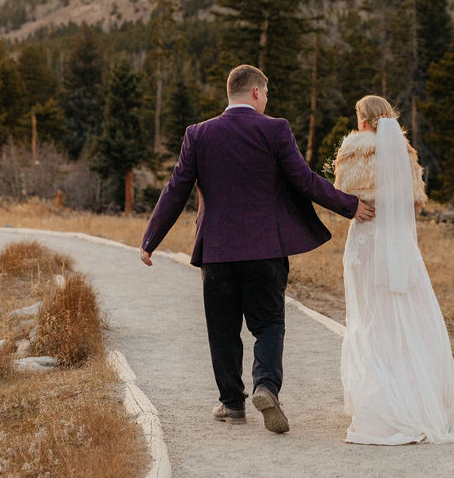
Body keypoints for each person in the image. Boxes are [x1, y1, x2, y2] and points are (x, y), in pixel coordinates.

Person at [138, 65, 375, 434]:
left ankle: (232, 405)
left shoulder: (198, 134)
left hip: (216, 252)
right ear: (255, 93)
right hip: (264, 249)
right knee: (268, 325)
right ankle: (266, 387)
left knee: (222, 329)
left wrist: (151, 239)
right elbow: (305, 179)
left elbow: (176, 188)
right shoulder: (274, 129)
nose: (266, 100)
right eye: (265, 93)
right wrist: (349, 205)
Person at [333, 95, 454, 445]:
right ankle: (417, 394)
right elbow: (414, 203)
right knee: (404, 315)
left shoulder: (354, 149)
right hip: (399, 244)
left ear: (363, 120)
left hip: (365, 243)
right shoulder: (404, 153)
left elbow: (341, 194)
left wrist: (356, 205)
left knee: (369, 318)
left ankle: (379, 400)